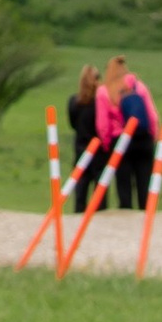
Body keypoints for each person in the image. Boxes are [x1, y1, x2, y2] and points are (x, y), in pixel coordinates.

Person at [113, 58, 158, 211]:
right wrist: (153, 135)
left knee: (124, 179)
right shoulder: (140, 87)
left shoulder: (112, 89)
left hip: (123, 137)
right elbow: (152, 114)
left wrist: (109, 140)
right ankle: (145, 210)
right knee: (144, 178)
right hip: (144, 138)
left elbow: (107, 119)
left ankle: (126, 209)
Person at [67, 64, 101, 214]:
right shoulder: (99, 103)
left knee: (80, 191)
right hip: (99, 149)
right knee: (99, 193)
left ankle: (79, 216)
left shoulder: (74, 102)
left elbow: (72, 124)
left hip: (81, 147)